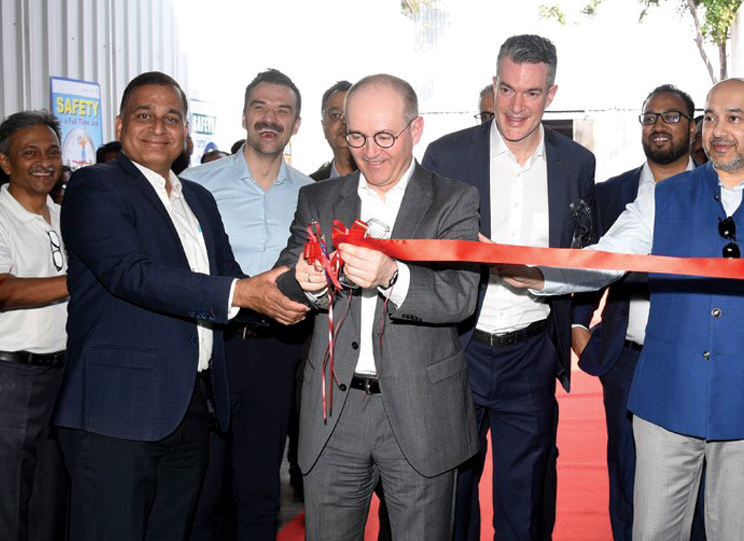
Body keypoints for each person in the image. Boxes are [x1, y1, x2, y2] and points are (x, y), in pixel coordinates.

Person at [516, 78, 744, 541]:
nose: (718, 130)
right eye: (710, 117)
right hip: (664, 402)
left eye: (734, 117)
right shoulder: (662, 198)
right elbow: (604, 259)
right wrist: (539, 277)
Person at [54, 71, 309, 541]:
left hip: (192, 406)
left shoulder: (197, 198)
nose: (159, 127)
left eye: (172, 117)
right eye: (144, 115)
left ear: (186, 131)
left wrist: (289, 292)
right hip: (117, 413)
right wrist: (244, 293)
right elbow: (131, 273)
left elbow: (231, 277)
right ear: (118, 123)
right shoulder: (96, 187)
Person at [275, 73, 480, 540]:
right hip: (333, 412)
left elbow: (461, 296)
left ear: (416, 129)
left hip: (420, 409)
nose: (371, 151)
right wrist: (303, 282)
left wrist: (391, 276)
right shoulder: (319, 199)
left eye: (385, 136)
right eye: (358, 137)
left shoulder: (454, 201)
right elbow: (284, 278)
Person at [422, 34, 599, 541]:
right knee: (451, 492)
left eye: (532, 93)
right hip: (457, 350)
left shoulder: (577, 164)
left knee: (526, 501)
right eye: (506, 90)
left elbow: (584, 257)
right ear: (494, 85)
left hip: (531, 352)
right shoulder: (447, 155)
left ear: (552, 93)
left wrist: (555, 293)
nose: (516, 106)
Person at [181, 68, 313, 541]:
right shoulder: (195, 185)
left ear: (296, 124)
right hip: (210, 349)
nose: (270, 118)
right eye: (260, 107)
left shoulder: (312, 195)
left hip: (278, 353)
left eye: (283, 110)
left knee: (260, 488)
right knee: (202, 486)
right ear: (243, 116)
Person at [571, 84, 701, 541]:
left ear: (693, 126)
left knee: (696, 482)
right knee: (628, 473)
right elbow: (590, 261)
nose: (659, 126)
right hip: (627, 359)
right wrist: (577, 327)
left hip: (696, 360)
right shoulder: (611, 194)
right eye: (650, 118)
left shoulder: (716, 190)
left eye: (671, 116)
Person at [0, 110, 69, 541]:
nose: (45, 161)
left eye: (52, 151)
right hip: (11, 379)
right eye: (30, 153)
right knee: (8, 504)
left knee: (51, 502)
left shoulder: (65, 217)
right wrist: (79, 280)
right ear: (6, 163)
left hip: (64, 376)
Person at [311, 80, 357, 181]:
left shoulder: (385, 179)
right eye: (335, 115)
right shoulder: (309, 186)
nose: (344, 121)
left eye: (352, 113)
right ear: (324, 127)